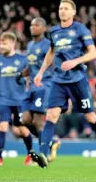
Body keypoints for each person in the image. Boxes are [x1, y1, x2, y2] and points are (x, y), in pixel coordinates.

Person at [31, 0, 96, 168]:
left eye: (66, 8)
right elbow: (51, 53)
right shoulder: (53, 31)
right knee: (51, 116)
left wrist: (75, 61)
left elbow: (92, 54)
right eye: (61, 8)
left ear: (73, 12)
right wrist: (40, 72)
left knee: (90, 116)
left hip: (77, 79)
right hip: (58, 80)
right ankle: (44, 155)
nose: (62, 11)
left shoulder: (80, 29)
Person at [0, 32, 33, 166]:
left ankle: (30, 155)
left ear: (12, 44)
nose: (1, 45)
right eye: (0, 43)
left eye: (4, 43)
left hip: (20, 100)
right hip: (4, 100)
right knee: (2, 126)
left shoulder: (23, 60)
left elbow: (32, 76)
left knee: (22, 130)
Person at [17, 17, 61, 164]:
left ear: (43, 28)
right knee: (25, 120)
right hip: (30, 88)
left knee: (38, 120)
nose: (32, 27)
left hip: (44, 85)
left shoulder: (48, 45)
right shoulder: (30, 45)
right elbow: (31, 66)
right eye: (31, 25)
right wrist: (21, 75)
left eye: (36, 25)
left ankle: (44, 155)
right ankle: (52, 141)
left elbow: (53, 63)